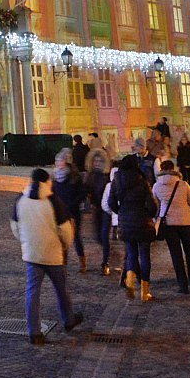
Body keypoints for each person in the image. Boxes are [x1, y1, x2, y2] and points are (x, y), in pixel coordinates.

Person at [11, 168, 84, 343]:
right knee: (61, 289)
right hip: (53, 254)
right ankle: (68, 320)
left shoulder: (20, 199)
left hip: (32, 254)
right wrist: (64, 246)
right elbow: (66, 230)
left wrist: (26, 241)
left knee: (32, 292)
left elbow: (15, 226)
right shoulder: (53, 201)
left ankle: (34, 332)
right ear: (47, 182)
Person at [106, 153, 157, 302]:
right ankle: (145, 292)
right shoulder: (142, 180)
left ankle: (130, 281)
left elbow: (111, 202)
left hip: (126, 222)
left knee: (131, 253)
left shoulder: (116, 180)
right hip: (143, 221)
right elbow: (151, 204)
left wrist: (121, 212)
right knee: (145, 255)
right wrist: (150, 214)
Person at [153, 160, 190, 293]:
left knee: (176, 255)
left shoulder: (156, 186)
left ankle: (183, 285)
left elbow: (155, 207)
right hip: (187, 222)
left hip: (168, 224)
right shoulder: (183, 184)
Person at [51, 154, 88, 272]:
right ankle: (63, 264)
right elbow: (52, 194)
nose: (58, 163)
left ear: (65, 162)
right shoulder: (54, 177)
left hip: (73, 211)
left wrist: (73, 203)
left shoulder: (74, 177)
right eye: (57, 161)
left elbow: (82, 193)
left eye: (60, 161)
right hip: (60, 212)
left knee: (76, 237)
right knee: (62, 238)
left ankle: (82, 263)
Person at [85, 146, 113, 275]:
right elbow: (87, 190)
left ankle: (105, 262)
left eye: (99, 161)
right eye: (95, 161)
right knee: (98, 237)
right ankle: (107, 252)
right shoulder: (90, 175)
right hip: (96, 208)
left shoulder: (107, 176)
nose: (97, 163)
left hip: (106, 209)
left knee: (104, 235)